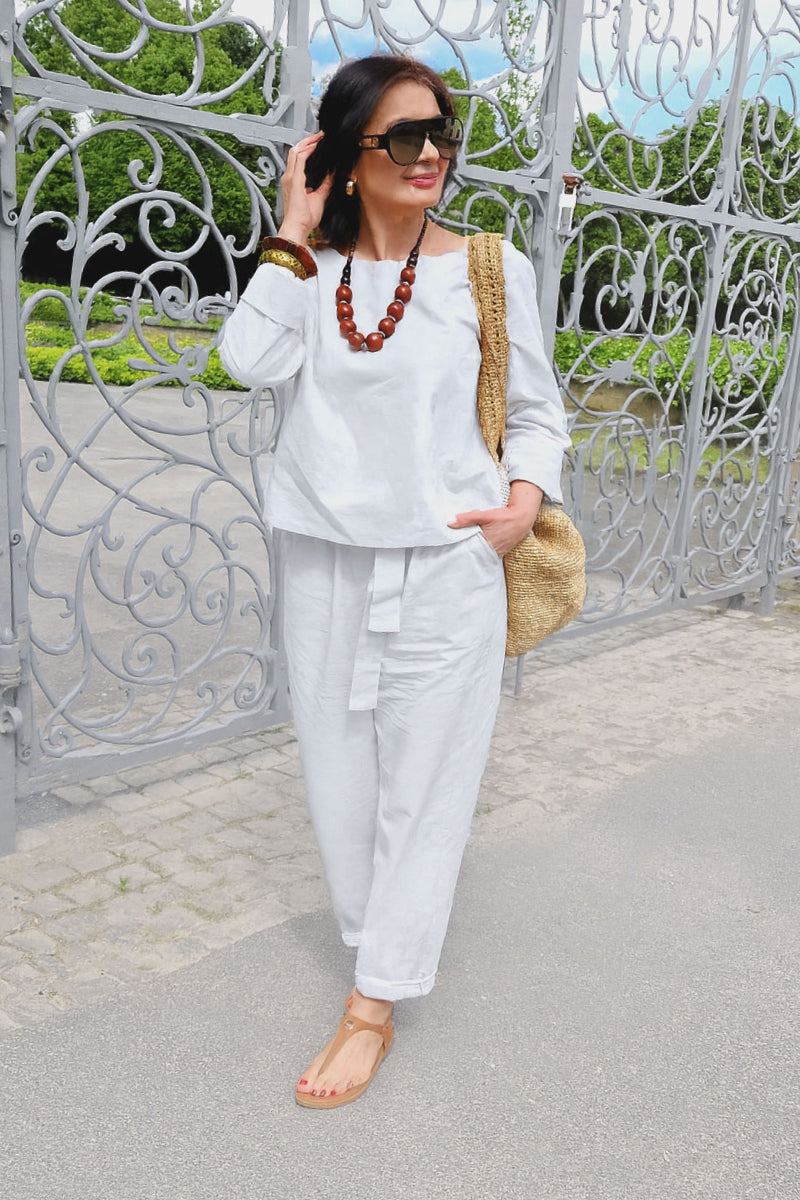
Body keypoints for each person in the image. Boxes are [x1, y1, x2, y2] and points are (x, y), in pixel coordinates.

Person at [219, 53, 570, 1109]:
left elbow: (539, 412)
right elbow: (245, 361)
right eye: (404, 137)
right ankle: (375, 947)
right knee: (339, 779)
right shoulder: (307, 271)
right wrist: (292, 227)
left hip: (450, 561)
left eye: (440, 134)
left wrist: (520, 504)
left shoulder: (488, 268)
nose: (431, 156)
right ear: (347, 152)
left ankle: (372, 1004)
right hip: (323, 556)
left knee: (428, 786)